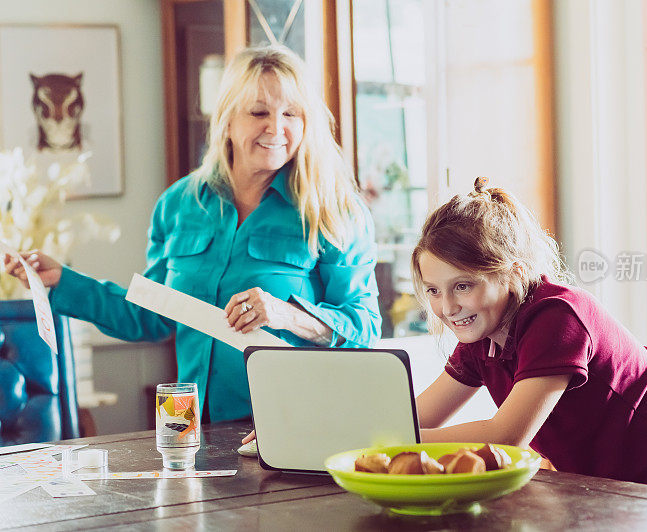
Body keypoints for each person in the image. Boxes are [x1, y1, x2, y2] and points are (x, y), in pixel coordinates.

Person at [3, 45, 381, 423]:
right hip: (190, 425)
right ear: (228, 120)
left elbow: (364, 326)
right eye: (259, 112)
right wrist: (63, 281)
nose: (276, 128)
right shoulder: (179, 204)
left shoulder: (334, 211)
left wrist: (287, 315)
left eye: (291, 114)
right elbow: (150, 314)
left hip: (291, 425)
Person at [410, 177, 647, 498]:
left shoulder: (557, 317)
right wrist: (375, 433)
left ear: (512, 273)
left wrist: (400, 443)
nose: (448, 307)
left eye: (463, 286)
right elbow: (417, 418)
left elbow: (506, 437)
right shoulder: (480, 339)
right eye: (434, 291)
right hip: (624, 487)